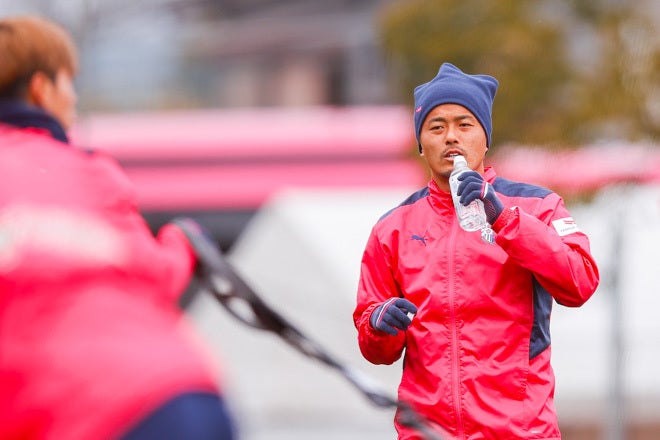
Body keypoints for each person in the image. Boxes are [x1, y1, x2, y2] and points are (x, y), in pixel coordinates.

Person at [0, 15, 235, 439]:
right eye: (70, 82)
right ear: (41, 89)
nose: (73, 99)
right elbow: (154, 278)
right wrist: (182, 242)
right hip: (177, 394)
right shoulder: (89, 172)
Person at [353, 63, 600, 439]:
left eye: (464, 124)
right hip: (425, 432)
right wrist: (378, 324)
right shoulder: (393, 228)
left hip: (519, 431)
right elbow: (376, 348)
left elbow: (580, 282)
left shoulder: (537, 206)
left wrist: (504, 219)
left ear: (485, 139)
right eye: (436, 127)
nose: (451, 136)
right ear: (422, 145)